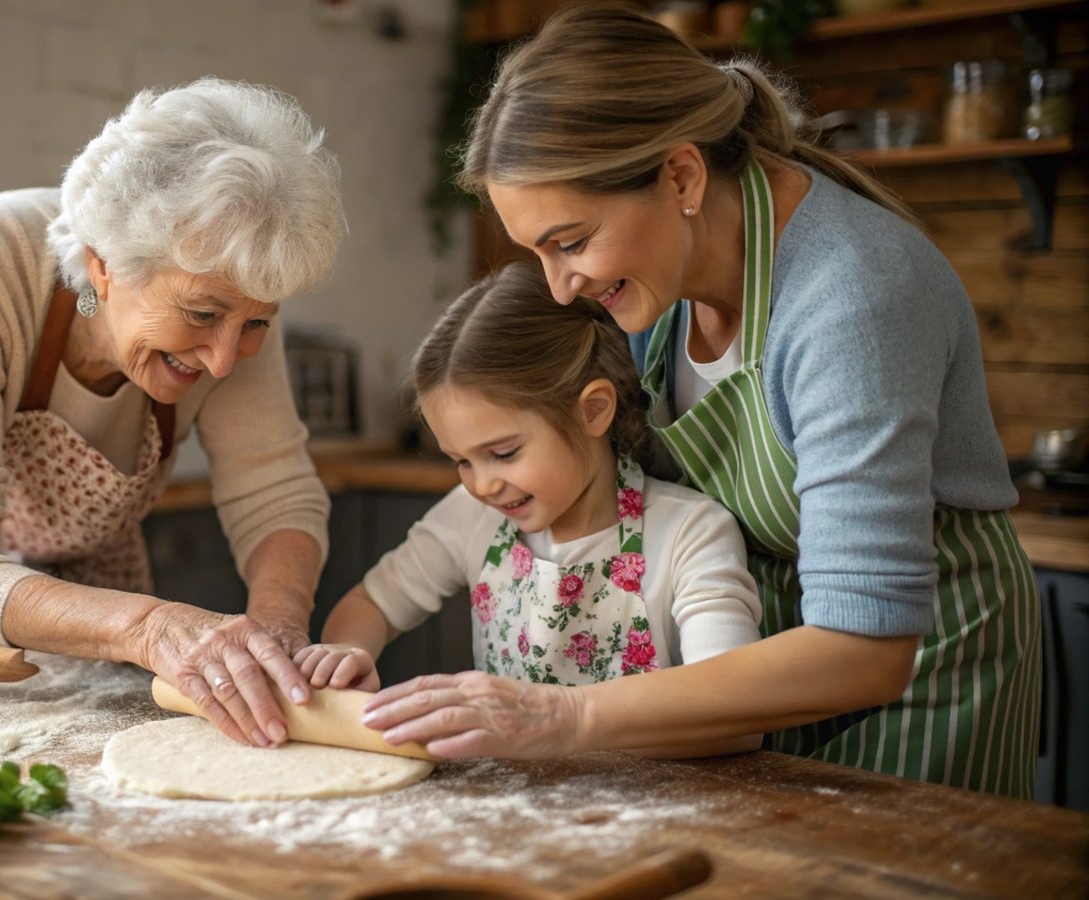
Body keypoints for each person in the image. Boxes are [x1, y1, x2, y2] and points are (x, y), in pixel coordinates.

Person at [359, 4, 1040, 798]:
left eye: (571, 241)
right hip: (755, 672)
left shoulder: (853, 301)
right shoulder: (657, 290)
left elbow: (866, 646)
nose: (560, 286)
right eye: (538, 252)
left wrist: (565, 717)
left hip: (922, 679)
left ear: (681, 176)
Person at [0, 79, 346, 749]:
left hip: (85, 571)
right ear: (103, 267)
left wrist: (278, 625)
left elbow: (277, 494)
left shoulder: (233, 291)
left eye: (258, 323)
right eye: (201, 316)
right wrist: (150, 628)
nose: (225, 361)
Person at [296, 262, 763, 758]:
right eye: (461, 461)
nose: (482, 484)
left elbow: (738, 717)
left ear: (594, 410)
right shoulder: (472, 517)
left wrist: (572, 719)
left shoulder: (691, 533)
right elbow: (370, 605)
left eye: (504, 453)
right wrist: (348, 654)